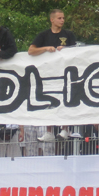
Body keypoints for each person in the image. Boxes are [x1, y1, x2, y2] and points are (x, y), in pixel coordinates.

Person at [29, 10, 77, 144]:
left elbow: (77, 51)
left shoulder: (68, 34)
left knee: (65, 99)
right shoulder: (43, 35)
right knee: (49, 100)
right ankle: (49, 131)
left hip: (65, 73)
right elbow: (31, 50)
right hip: (48, 73)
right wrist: (45, 49)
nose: (62, 20)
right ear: (52, 20)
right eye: (59, 18)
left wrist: (66, 50)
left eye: (63, 18)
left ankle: (64, 128)